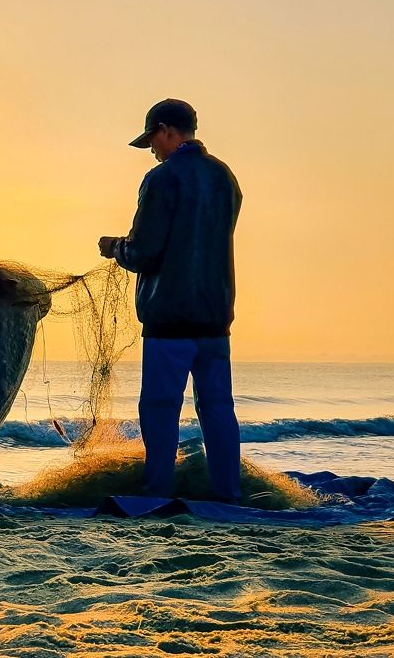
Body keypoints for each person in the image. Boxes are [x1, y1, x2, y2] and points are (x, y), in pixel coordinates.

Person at [98, 98, 243, 503]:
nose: (152, 151)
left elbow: (145, 250)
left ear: (166, 130)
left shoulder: (162, 179)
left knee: (161, 407)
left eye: (152, 142)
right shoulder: (225, 178)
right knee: (217, 408)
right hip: (216, 317)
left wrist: (115, 247)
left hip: (170, 318)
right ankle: (228, 494)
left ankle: (158, 491)